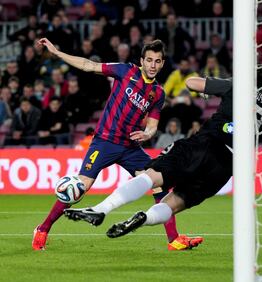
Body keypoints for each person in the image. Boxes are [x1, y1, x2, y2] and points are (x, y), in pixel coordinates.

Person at [64, 68, 262, 240]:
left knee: (151, 176)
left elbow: (191, 82)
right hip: (226, 166)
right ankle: (144, 219)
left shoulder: (237, 85)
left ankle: (100, 209)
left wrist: (215, 88)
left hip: (205, 143)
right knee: (174, 203)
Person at [32, 38, 202, 251]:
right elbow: (89, 65)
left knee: (158, 183)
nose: (152, 65)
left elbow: (152, 125)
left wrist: (147, 134)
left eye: (157, 61)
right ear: (142, 60)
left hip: (130, 147)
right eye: (149, 60)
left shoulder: (157, 93)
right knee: (78, 188)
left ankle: (173, 239)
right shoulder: (125, 71)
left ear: (162, 63)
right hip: (104, 142)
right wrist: (57, 52)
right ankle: (43, 229)